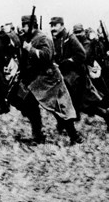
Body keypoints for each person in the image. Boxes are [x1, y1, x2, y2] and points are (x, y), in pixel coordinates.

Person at [8, 15, 83, 145]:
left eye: (24, 25)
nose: (22, 28)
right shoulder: (29, 38)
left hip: (49, 80)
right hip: (37, 80)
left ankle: (75, 137)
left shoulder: (42, 38)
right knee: (27, 103)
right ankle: (37, 136)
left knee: (59, 109)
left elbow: (46, 56)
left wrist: (30, 49)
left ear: (30, 25)